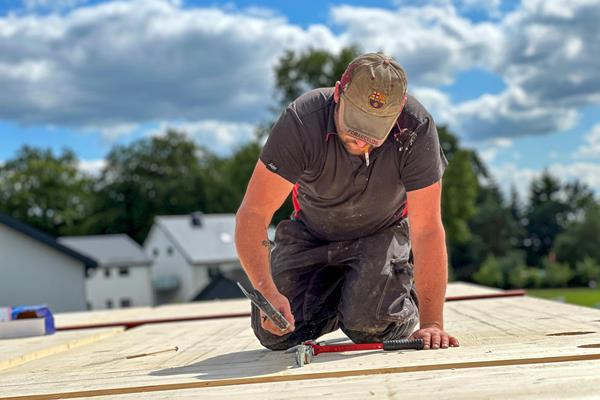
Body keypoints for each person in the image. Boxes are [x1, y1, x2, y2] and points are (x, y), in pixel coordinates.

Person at [235, 52, 459, 351]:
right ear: (339, 92)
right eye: (355, 123)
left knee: (372, 326)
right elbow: (252, 213)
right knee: (276, 333)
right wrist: (267, 290)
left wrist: (433, 323)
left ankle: (391, 298)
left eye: (375, 129)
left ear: (398, 110)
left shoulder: (414, 128)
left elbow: (428, 229)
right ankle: (346, 298)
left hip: (379, 233)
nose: (362, 140)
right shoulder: (303, 121)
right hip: (311, 234)